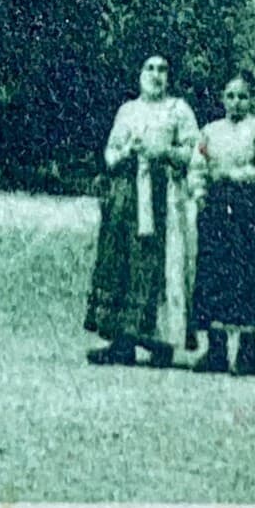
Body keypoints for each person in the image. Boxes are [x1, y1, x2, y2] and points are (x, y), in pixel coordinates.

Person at [84, 53, 199, 367]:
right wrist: (126, 151)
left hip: (164, 197)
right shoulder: (128, 110)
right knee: (122, 261)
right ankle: (121, 341)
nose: (156, 74)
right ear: (139, 73)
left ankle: (159, 341)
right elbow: (109, 153)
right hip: (127, 196)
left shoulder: (179, 110)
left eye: (163, 69)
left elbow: (195, 150)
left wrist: (167, 151)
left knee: (158, 263)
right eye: (150, 68)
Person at [189, 70, 255, 377]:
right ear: (222, 98)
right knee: (215, 270)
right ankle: (216, 349)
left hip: (246, 206)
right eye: (230, 96)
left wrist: (241, 174)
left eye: (242, 96)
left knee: (247, 271)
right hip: (216, 205)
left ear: (251, 98)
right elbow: (198, 163)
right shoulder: (210, 131)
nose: (236, 102)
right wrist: (200, 192)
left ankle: (247, 351)